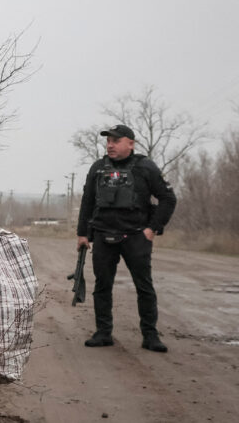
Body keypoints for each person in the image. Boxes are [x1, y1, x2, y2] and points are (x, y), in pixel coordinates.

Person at [76, 123, 176, 353]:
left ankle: (150, 336)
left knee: (144, 287)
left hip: (135, 237)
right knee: (102, 286)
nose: (110, 145)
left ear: (130, 144)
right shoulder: (98, 168)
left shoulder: (145, 167)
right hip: (103, 235)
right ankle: (103, 333)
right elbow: (88, 201)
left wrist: (152, 229)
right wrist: (82, 234)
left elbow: (168, 198)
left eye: (116, 141)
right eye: (108, 141)